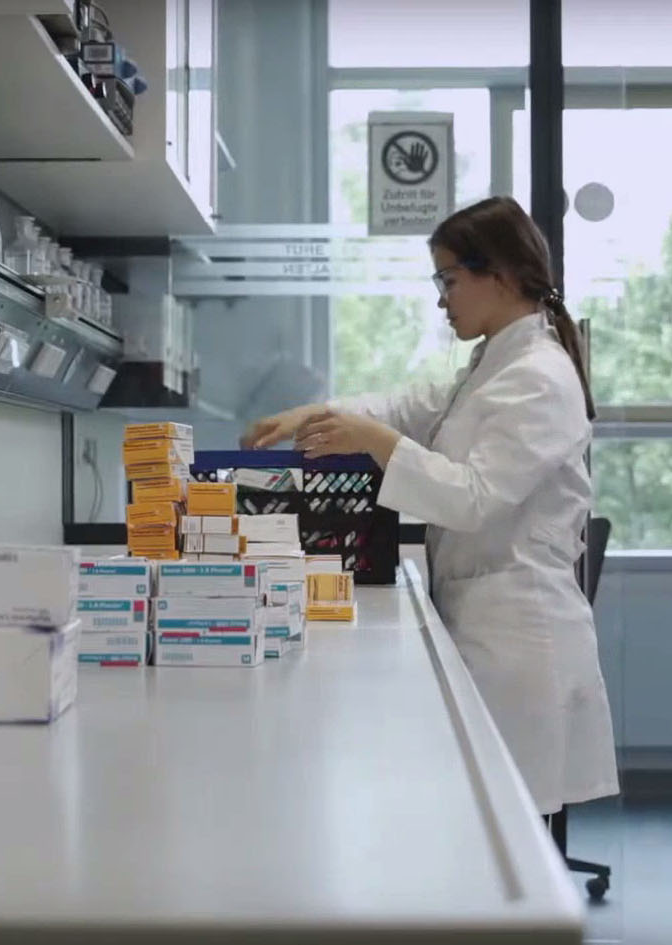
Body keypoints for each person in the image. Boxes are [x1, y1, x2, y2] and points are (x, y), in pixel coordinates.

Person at [241, 196, 619, 819]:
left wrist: (374, 442)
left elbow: (472, 498)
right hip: (484, 621)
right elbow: (404, 406)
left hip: (519, 636)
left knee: (507, 836)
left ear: (499, 275)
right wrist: (312, 415)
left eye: (449, 280)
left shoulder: (539, 377)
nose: (442, 300)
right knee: (492, 827)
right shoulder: (494, 365)